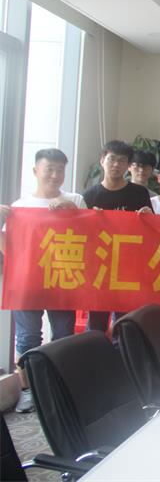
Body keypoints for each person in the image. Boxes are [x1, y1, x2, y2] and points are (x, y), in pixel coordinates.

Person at [0, 148, 84, 413]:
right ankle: (28, 390)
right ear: (36, 170)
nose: (55, 175)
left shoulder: (75, 200)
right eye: (49, 169)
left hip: (62, 280)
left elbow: (91, 235)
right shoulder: (19, 207)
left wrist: (74, 212)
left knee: (63, 335)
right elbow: (9, 250)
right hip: (28, 283)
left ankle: (60, 386)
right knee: (27, 338)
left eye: (60, 170)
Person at [82, 140, 153, 333]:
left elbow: (151, 231)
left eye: (122, 161)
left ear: (128, 165)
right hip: (99, 268)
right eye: (111, 159)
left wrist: (148, 217)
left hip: (128, 268)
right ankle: (95, 352)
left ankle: (122, 352)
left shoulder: (139, 193)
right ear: (102, 161)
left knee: (126, 323)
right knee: (96, 324)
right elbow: (82, 235)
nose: (116, 165)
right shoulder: (89, 196)